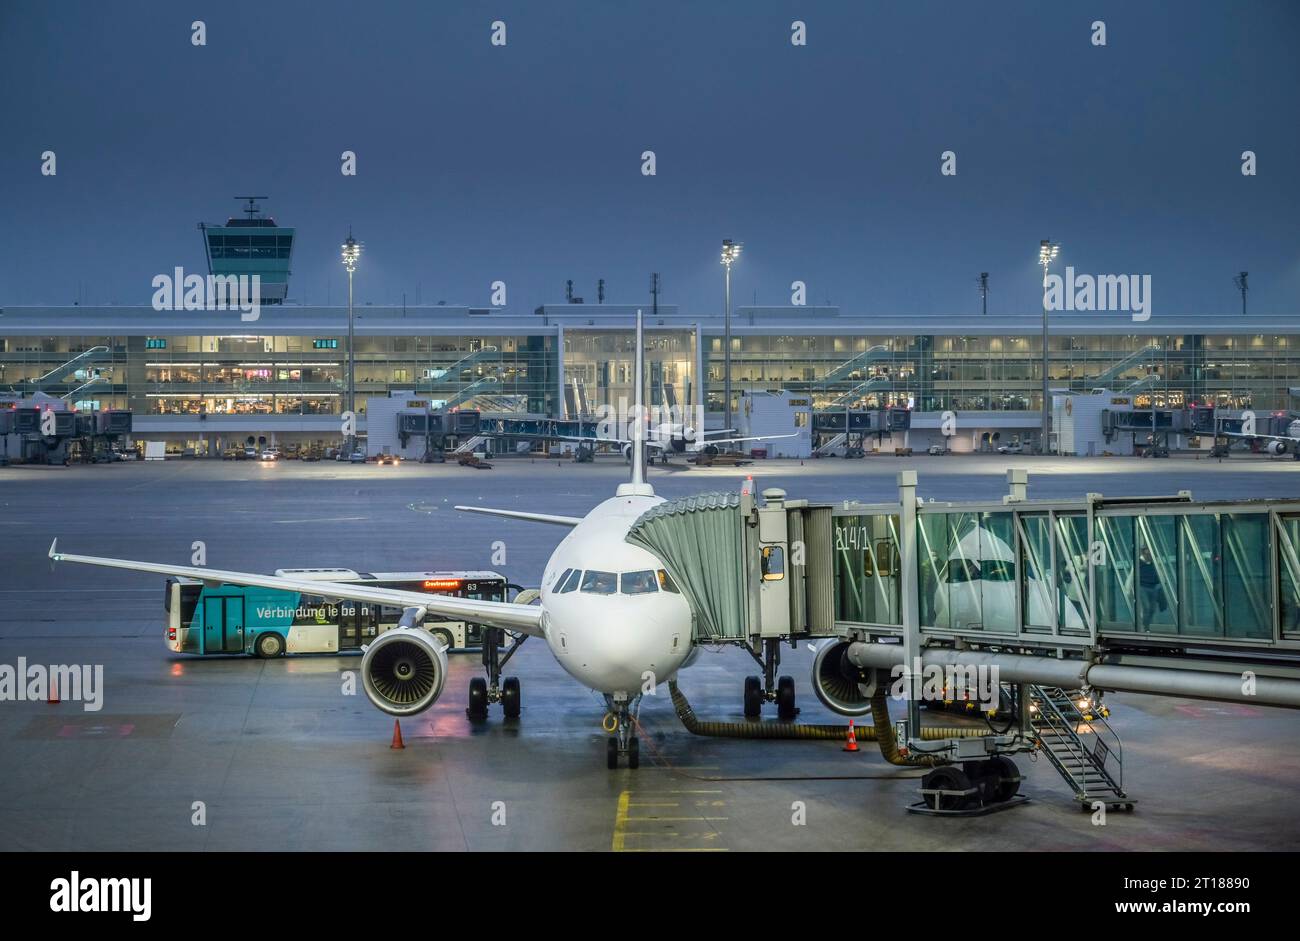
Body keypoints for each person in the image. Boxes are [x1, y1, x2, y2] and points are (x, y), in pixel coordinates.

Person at [1137, 546, 1164, 629]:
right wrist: (1127, 588)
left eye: (1150, 553)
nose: (1149, 555)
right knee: (1147, 607)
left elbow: (1160, 573)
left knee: (1152, 608)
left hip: (1153, 587)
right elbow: (1132, 575)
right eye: (1147, 553)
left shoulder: (1154, 562)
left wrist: (1163, 583)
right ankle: (1145, 626)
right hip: (1143, 587)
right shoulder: (1139, 562)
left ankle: (1147, 623)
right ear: (1143, 554)